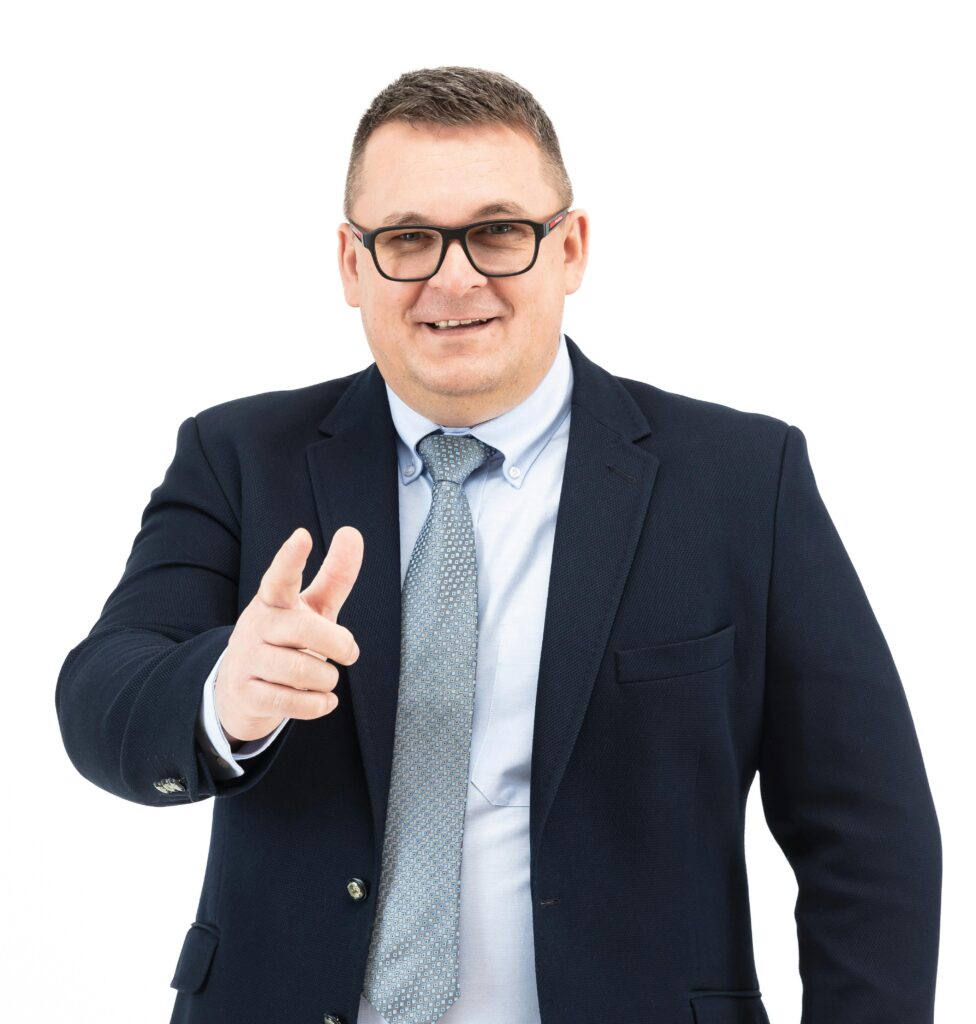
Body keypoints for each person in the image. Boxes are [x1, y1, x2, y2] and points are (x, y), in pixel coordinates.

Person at [55, 66, 942, 1024]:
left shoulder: (741, 480)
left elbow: (868, 834)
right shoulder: (237, 457)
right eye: (406, 239)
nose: (454, 276)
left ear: (570, 248)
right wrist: (222, 694)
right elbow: (102, 694)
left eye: (499, 231)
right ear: (352, 266)